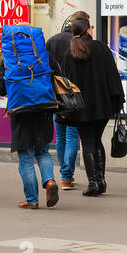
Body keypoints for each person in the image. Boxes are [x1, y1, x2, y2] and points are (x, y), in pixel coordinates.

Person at [51, 16, 124, 197]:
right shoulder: (101, 48)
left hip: (81, 108)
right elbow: (113, 75)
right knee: (97, 140)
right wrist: (118, 99)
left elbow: (66, 84)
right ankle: (101, 180)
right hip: (102, 105)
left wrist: (63, 110)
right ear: (88, 30)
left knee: (88, 142)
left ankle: (94, 182)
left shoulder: (70, 54)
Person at [0, 27, 60, 209]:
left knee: (25, 157)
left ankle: (32, 199)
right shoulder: (44, 54)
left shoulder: (9, 58)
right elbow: (57, 76)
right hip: (43, 109)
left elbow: (1, 89)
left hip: (20, 111)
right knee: (43, 152)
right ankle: (49, 181)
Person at [45, 11, 90, 190]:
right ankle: (66, 176)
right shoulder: (77, 43)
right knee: (72, 135)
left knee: (61, 136)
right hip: (73, 93)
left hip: (56, 94)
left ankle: (65, 175)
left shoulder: (52, 41)